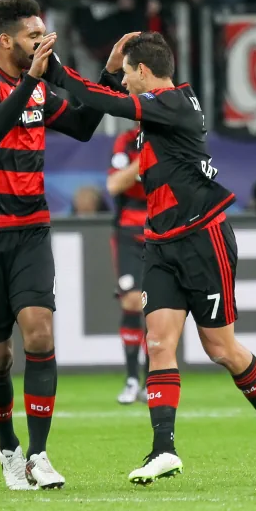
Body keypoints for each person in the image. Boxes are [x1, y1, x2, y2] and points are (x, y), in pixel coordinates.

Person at [39, 32, 256, 485]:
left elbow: (109, 102)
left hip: (203, 236)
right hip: (159, 239)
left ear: (142, 72)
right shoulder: (160, 101)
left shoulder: (175, 102)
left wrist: (54, 67)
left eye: (129, 76)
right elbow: (108, 97)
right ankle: (163, 449)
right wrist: (114, 66)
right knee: (158, 344)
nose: (127, 85)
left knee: (220, 348)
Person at [0, 0, 107, 491]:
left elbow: (80, 125)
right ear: (6, 39)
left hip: (30, 227)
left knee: (39, 334)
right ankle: (8, 448)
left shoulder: (32, 84)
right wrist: (35, 76)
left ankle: (38, 455)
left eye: (44, 34)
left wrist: (111, 80)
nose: (43, 43)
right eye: (34, 36)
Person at [107, 128, 149, 404]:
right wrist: (143, 161)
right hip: (129, 233)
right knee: (132, 301)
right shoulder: (127, 141)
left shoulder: (174, 134)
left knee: (159, 308)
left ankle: (153, 381)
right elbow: (113, 185)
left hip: (163, 229)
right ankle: (132, 379)